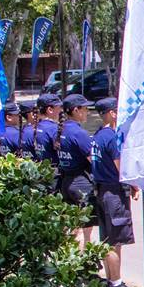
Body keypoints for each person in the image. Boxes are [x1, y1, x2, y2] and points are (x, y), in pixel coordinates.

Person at [92, 97, 141, 287]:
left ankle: (111, 279)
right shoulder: (111, 137)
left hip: (102, 190)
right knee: (115, 240)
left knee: (106, 238)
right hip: (113, 192)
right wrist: (133, 184)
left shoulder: (97, 135)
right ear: (112, 113)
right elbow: (120, 166)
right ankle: (116, 282)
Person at [57, 94, 98, 249]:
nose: (87, 112)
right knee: (84, 231)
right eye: (85, 109)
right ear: (76, 110)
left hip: (66, 182)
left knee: (73, 227)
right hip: (81, 183)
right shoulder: (78, 133)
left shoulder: (62, 130)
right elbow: (93, 159)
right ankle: (83, 262)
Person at [34, 93, 63, 182]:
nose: (61, 110)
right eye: (59, 108)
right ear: (50, 109)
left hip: (40, 172)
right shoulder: (53, 128)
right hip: (54, 175)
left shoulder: (36, 126)